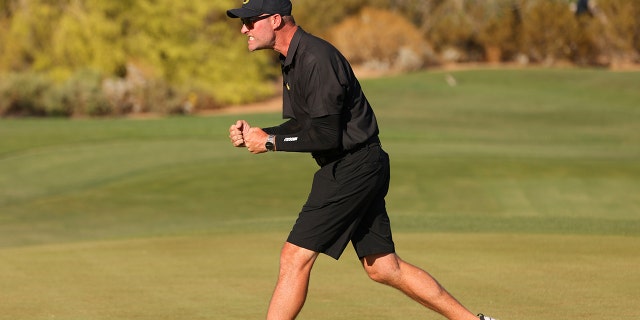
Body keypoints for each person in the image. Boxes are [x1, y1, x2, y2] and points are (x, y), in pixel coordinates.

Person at [226, 1, 498, 319]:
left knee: (294, 257)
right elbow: (308, 125)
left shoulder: (316, 58)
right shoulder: (292, 60)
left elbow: (326, 135)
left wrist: (270, 143)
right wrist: (260, 134)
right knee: (383, 267)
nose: (243, 29)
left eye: (249, 21)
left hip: (353, 166)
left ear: (275, 20)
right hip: (360, 164)